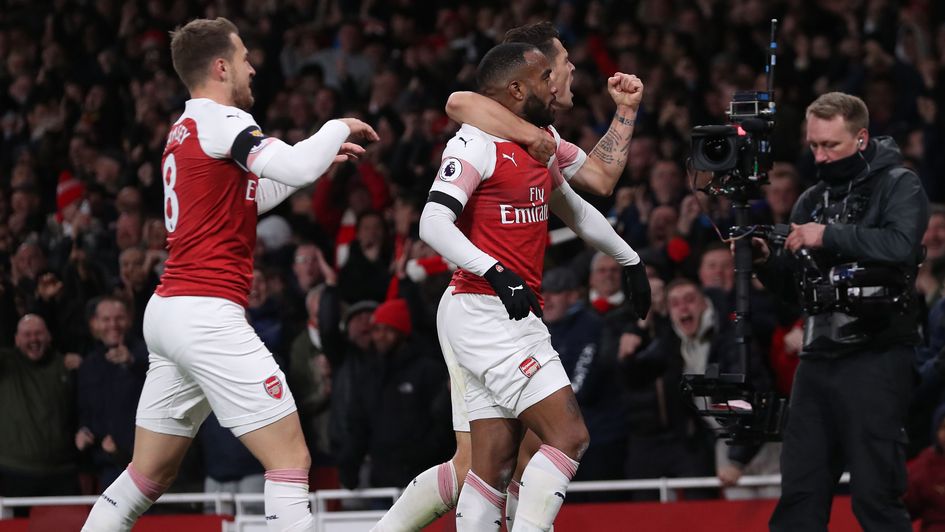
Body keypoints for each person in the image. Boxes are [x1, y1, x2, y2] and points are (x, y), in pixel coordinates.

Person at [81, 17, 378, 532]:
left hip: (170, 312)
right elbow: (297, 166)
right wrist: (336, 129)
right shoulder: (225, 121)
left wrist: (320, 159)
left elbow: (252, 197)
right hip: (205, 314)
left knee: (149, 471)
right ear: (220, 67)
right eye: (244, 58)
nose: (252, 67)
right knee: (290, 459)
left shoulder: (186, 127)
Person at [374, 21, 646, 531]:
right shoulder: (476, 141)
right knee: (568, 435)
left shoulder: (543, 142)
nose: (562, 78)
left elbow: (582, 201)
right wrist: (496, 271)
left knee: (488, 467)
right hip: (486, 306)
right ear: (522, 84)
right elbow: (433, 220)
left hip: (495, 308)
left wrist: (630, 259)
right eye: (553, 70)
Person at [752, 92, 929, 532]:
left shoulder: (899, 184)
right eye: (814, 146)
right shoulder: (810, 200)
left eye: (831, 145)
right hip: (817, 359)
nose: (821, 156)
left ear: (862, 138)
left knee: (875, 495)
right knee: (800, 494)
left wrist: (827, 235)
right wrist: (764, 263)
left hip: (877, 352)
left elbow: (900, 245)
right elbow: (798, 290)